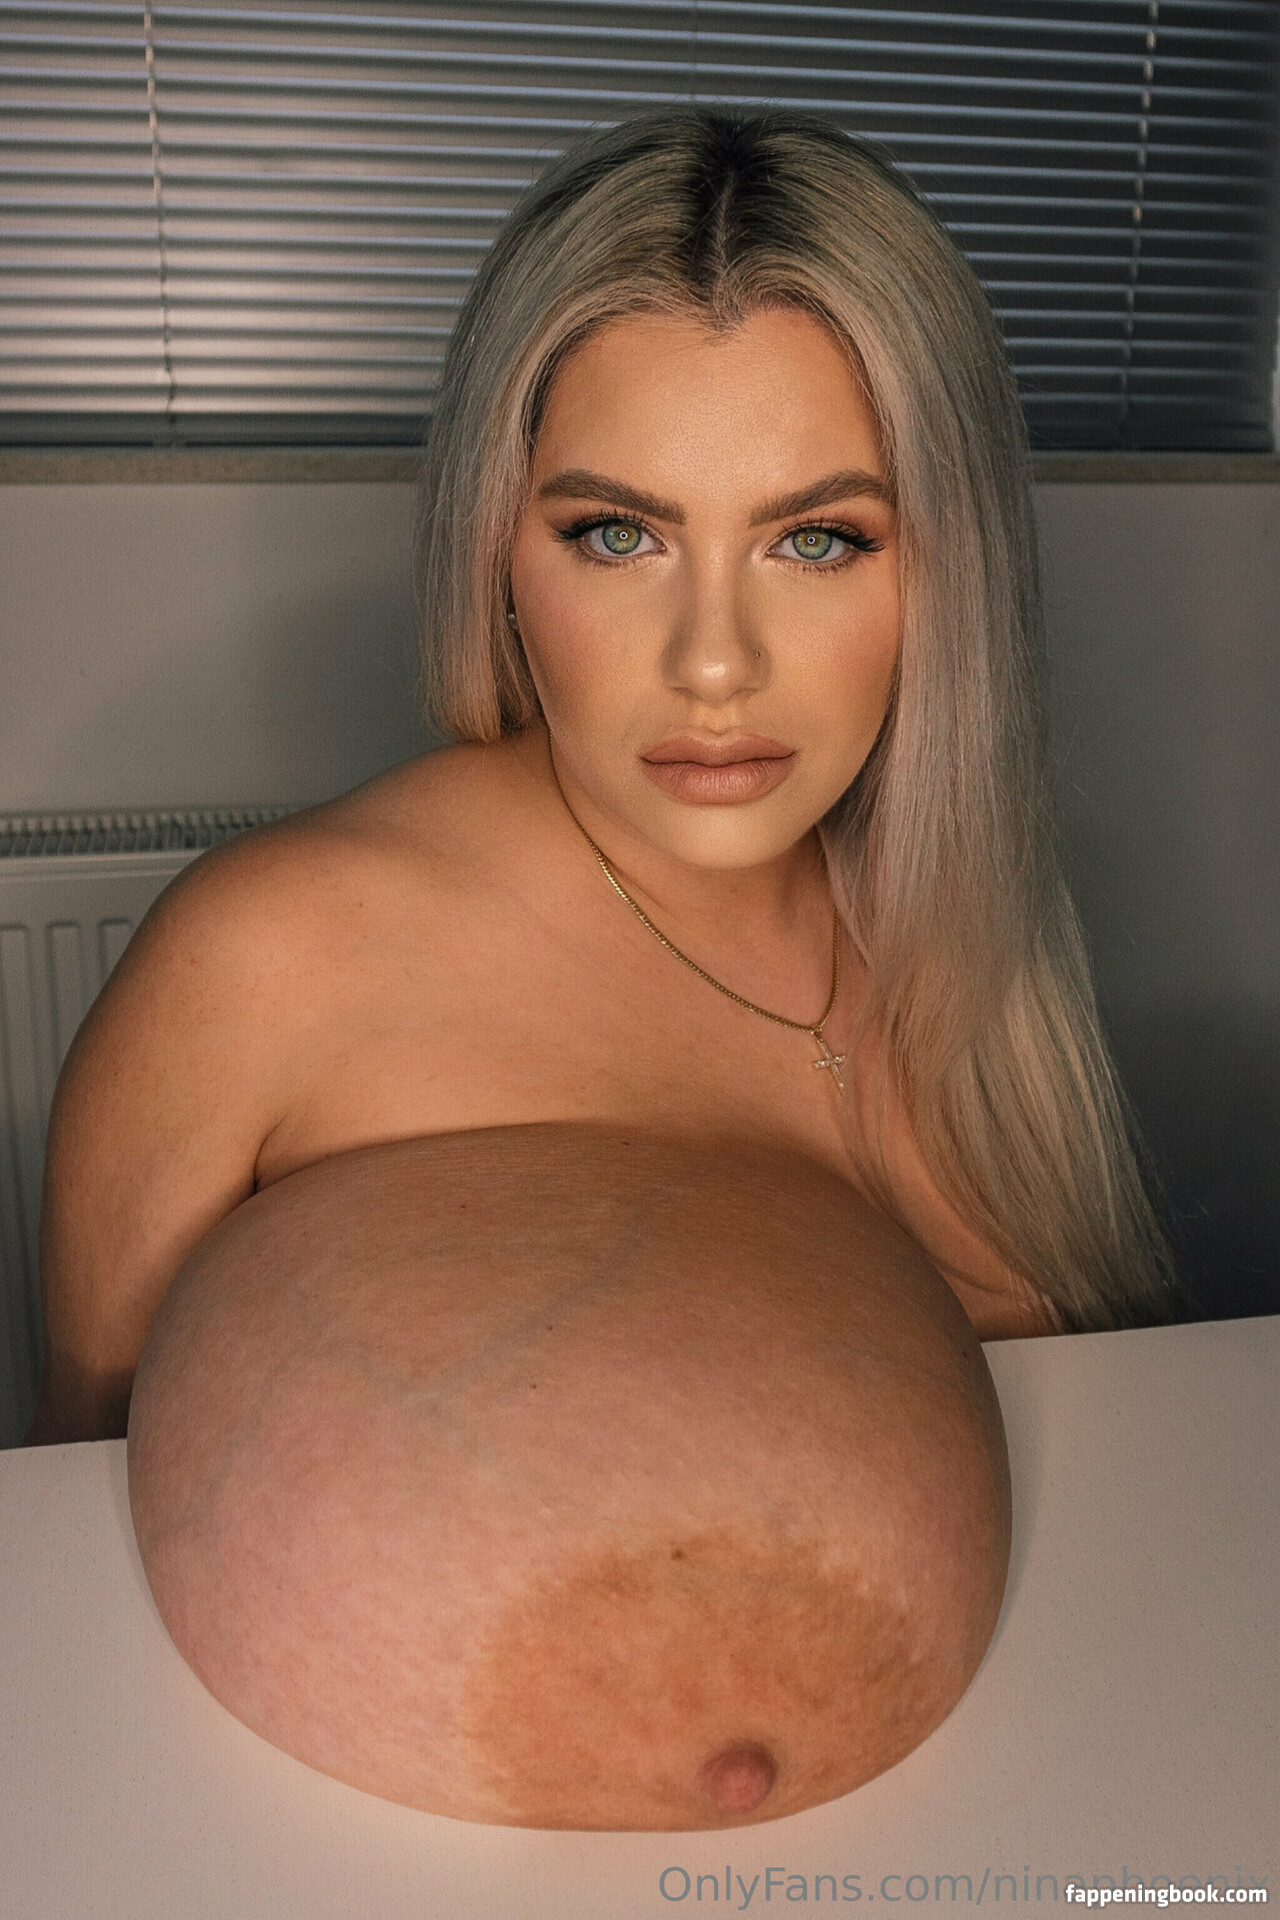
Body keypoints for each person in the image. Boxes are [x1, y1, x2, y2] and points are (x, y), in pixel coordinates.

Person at [24, 107, 1181, 1829]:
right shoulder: (262, 964)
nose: (714, 662)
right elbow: (56, 1560)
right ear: (499, 549)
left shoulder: (966, 947)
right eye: (617, 535)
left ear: (950, 573)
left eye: (819, 539)